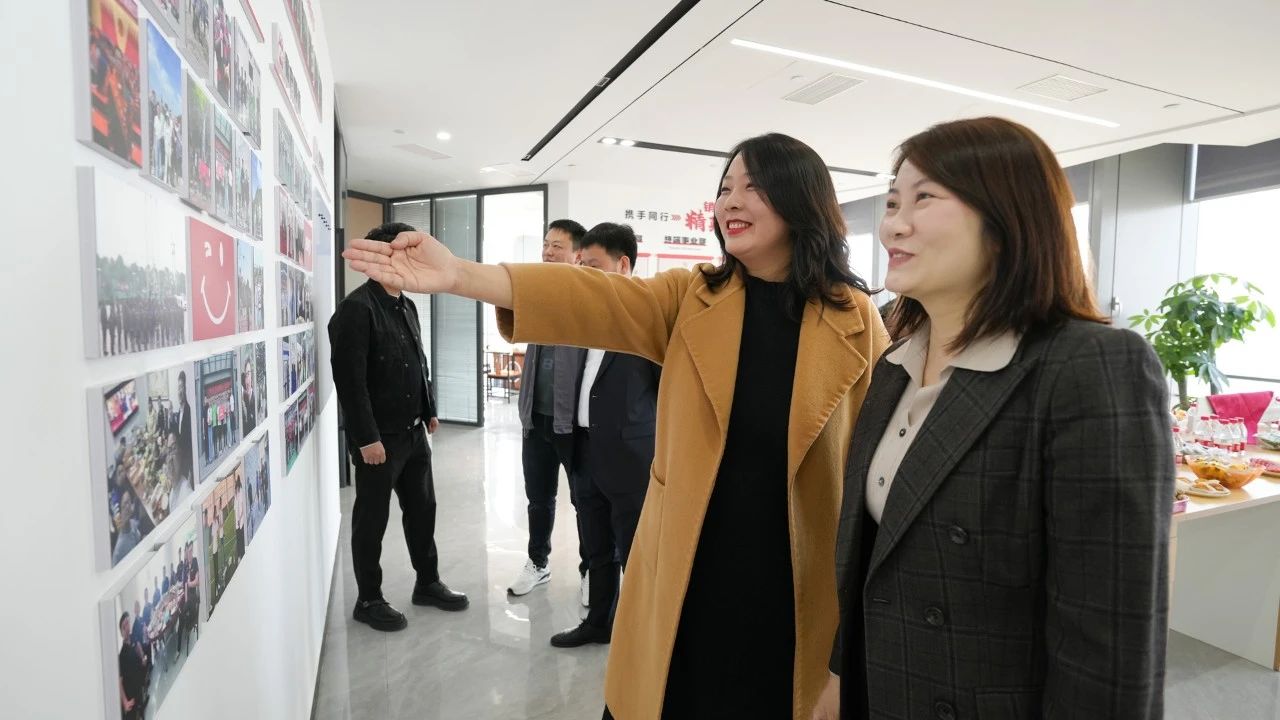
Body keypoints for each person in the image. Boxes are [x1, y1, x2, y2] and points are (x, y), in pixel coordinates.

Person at [343, 133, 888, 719]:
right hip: (689, 570)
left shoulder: (856, 322)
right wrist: (458, 275)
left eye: (752, 187)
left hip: (793, 584)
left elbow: (876, 486)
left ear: (800, 197)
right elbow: (589, 296)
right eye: (725, 187)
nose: (730, 200)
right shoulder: (694, 297)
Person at [812, 117, 1173, 720]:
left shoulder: (1088, 365)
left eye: (924, 198)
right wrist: (839, 673)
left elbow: (1109, 635)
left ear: (1007, 221)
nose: (893, 224)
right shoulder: (896, 365)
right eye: (893, 201)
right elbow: (873, 557)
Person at [328, 221, 468, 633]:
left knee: (423, 511)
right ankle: (369, 599)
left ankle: (428, 583)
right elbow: (350, 382)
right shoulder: (357, 309)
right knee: (371, 521)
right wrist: (366, 438)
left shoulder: (406, 304)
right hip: (379, 441)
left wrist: (429, 408)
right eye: (399, 254)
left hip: (413, 433)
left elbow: (417, 361)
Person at [550, 223, 660, 650]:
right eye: (581, 265)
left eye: (592, 266)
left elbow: (667, 393)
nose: (584, 274)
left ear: (623, 265)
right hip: (584, 452)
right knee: (595, 547)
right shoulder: (587, 315)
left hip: (631, 459)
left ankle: (642, 639)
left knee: (635, 553)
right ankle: (599, 623)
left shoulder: (648, 319)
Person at [506, 219, 590, 602]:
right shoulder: (538, 294)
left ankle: (592, 570)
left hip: (575, 424)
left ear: (577, 255)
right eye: (546, 244)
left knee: (584, 502)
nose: (548, 251)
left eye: (557, 245)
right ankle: (538, 563)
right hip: (535, 420)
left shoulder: (588, 297)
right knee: (538, 500)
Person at [118, 613, 146, 720]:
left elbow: (138, 648)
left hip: (138, 688)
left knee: (142, 713)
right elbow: (119, 681)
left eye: (127, 623)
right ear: (121, 632)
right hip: (131, 696)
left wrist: (142, 657)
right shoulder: (122, 655)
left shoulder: (133, 638)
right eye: (123, 627)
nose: (126, 628)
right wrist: (125, 702)